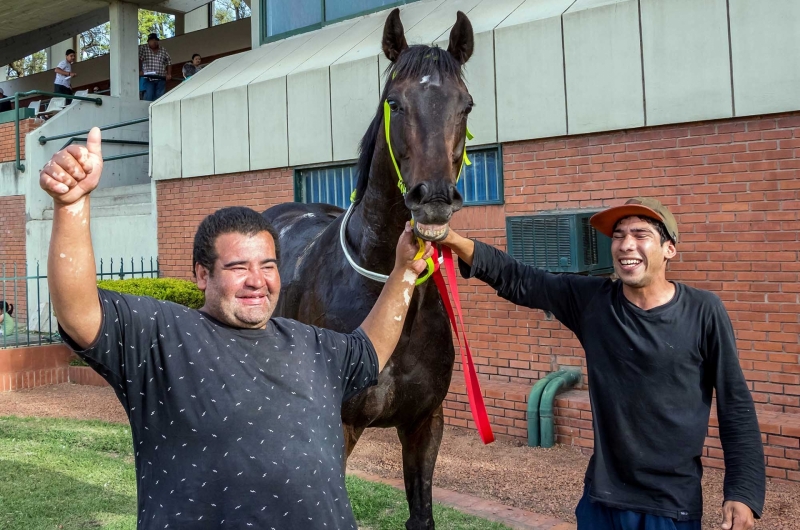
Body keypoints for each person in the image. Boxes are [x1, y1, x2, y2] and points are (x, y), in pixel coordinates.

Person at [39, 127, 433, 528]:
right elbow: (80, 312)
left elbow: (371, 349)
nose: (256, 280)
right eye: (237, 267)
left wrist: (403, 271)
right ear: (201, 275)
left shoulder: (310, 343)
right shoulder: (163, 337)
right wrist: (72, 206)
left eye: (267, 266)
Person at [441, 197, 765, 530]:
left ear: (669, 249)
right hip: (601, 502)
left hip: (670, 508)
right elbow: (517, 277)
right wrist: (450, 238)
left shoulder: (703, 312)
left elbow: (735, 405)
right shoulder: (593, 302)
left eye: (640, 234)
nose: (626, 244)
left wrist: (743, 492)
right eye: (619, 235)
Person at [138, 33, 171, 101]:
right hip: (148, 78)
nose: (154, 42)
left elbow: (169, 61)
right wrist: (140, 71)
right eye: (152, 40)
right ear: (148, 41)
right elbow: (139, 60)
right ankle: (146, 111)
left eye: (156, 40)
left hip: (161, 78)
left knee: (159, 98)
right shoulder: (143, 49)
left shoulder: (163, 50)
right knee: (148, 97)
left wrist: (169, 74)